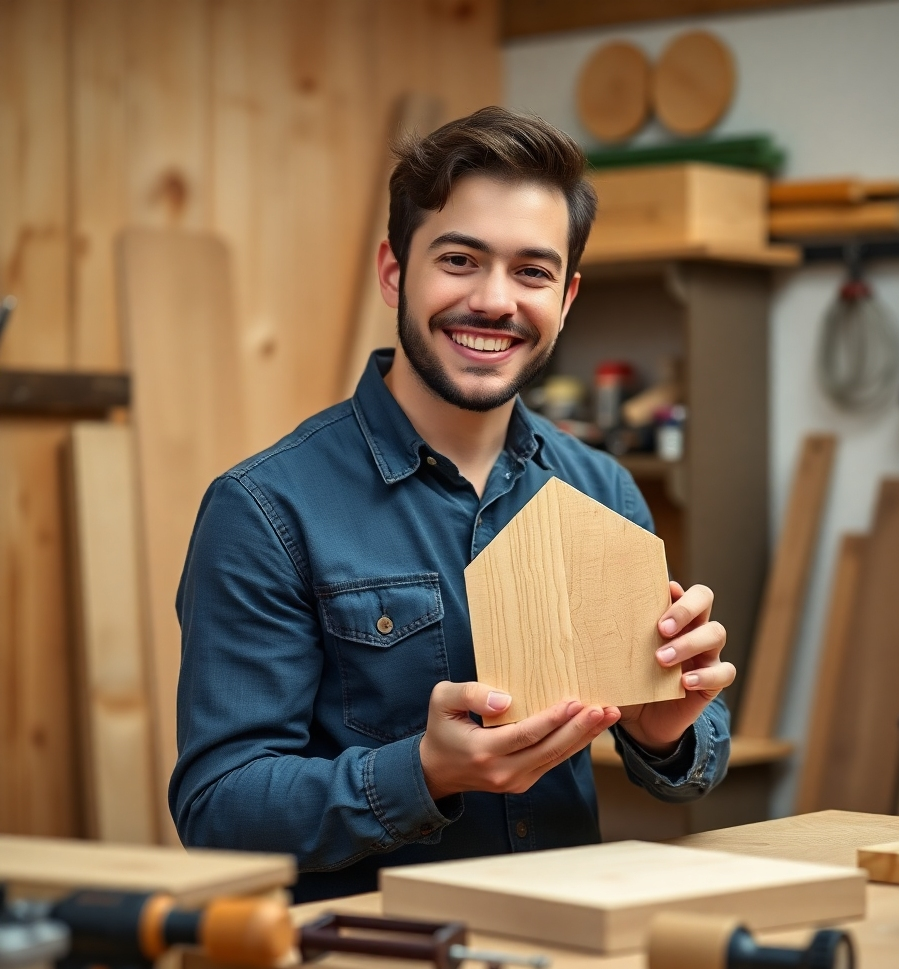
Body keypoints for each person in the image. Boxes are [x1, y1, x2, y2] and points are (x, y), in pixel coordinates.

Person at [171, 107, 735, 902]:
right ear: (395, 271)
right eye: (461, 259)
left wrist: (667, 730)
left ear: (566, 298)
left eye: (532, 272)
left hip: (564, 962)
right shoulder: (263, 510)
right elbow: (217, 810)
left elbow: (690, 767)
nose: (495, 301)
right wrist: (423, 774)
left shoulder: (601, 490)